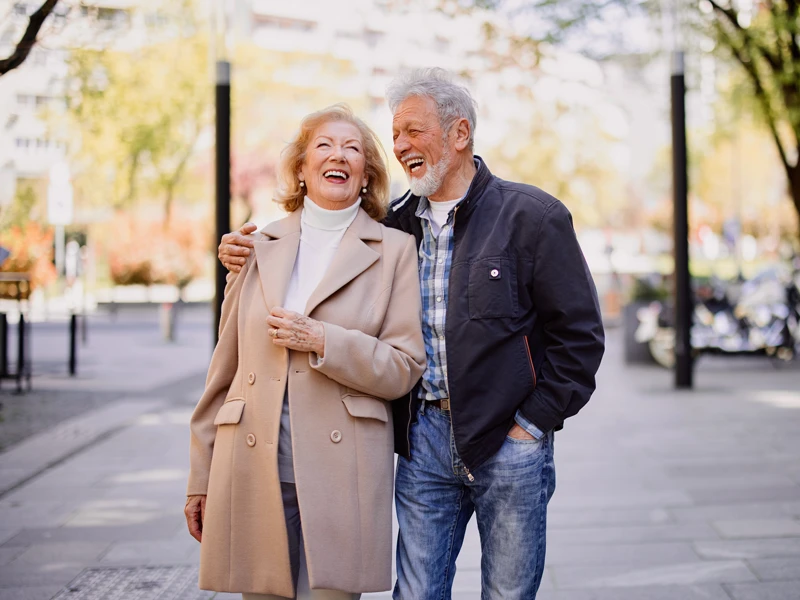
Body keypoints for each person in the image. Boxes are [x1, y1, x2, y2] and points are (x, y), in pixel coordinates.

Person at [218, 69, 605, 600]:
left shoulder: (531, 216)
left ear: (459, 134)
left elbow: (580, 337)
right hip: (423, 442)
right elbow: (322, 231)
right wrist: (245, 250)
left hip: (509, 444)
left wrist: (532, 425)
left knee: (509, 594)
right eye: (396, 134)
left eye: (414, 132)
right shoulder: (395, 224)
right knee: (417, 594)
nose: (399, 146)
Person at [186, 104, 426, 600]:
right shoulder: (257, 245)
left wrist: (323, 341)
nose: (338, 155)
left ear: (366, 175)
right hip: (252, 462)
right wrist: (201, 474)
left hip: (345, 470)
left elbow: (405, 367)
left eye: (353, 148)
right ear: (301, 168)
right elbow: (224, 369)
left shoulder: (394, 250)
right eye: (324, 145)